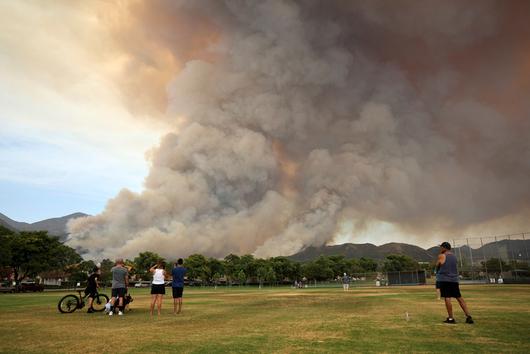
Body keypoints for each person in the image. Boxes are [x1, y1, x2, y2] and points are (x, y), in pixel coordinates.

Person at [436, 242, 474, 324]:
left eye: (441, 247)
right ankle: (468, 316)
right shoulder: (454, 256)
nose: (440, 249)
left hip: (445, 280)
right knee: (459, 298)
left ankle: (451, 318)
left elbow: (439, 264)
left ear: (444, 248)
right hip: (454, 280)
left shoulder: (442, 255)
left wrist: (438, 267)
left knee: (447, 298)